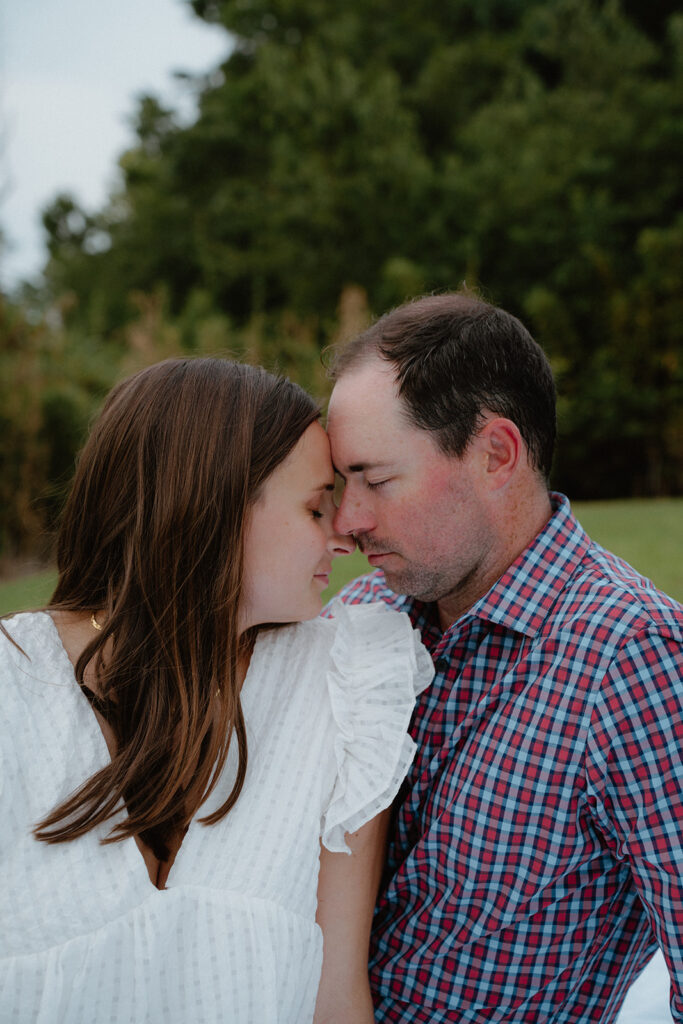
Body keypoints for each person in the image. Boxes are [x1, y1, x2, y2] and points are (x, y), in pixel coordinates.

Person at [0, 357, 433, 1024]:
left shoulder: (345, 688)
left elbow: (336, 998)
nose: (344, 533)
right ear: (217, 504)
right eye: (316, 505)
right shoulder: (12, 684)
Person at [325, 291, 683, 1023]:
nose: (347, 521)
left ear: (495, 454)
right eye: (340, 484)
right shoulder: (360, 617)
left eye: (376, 480)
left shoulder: (630, 656)